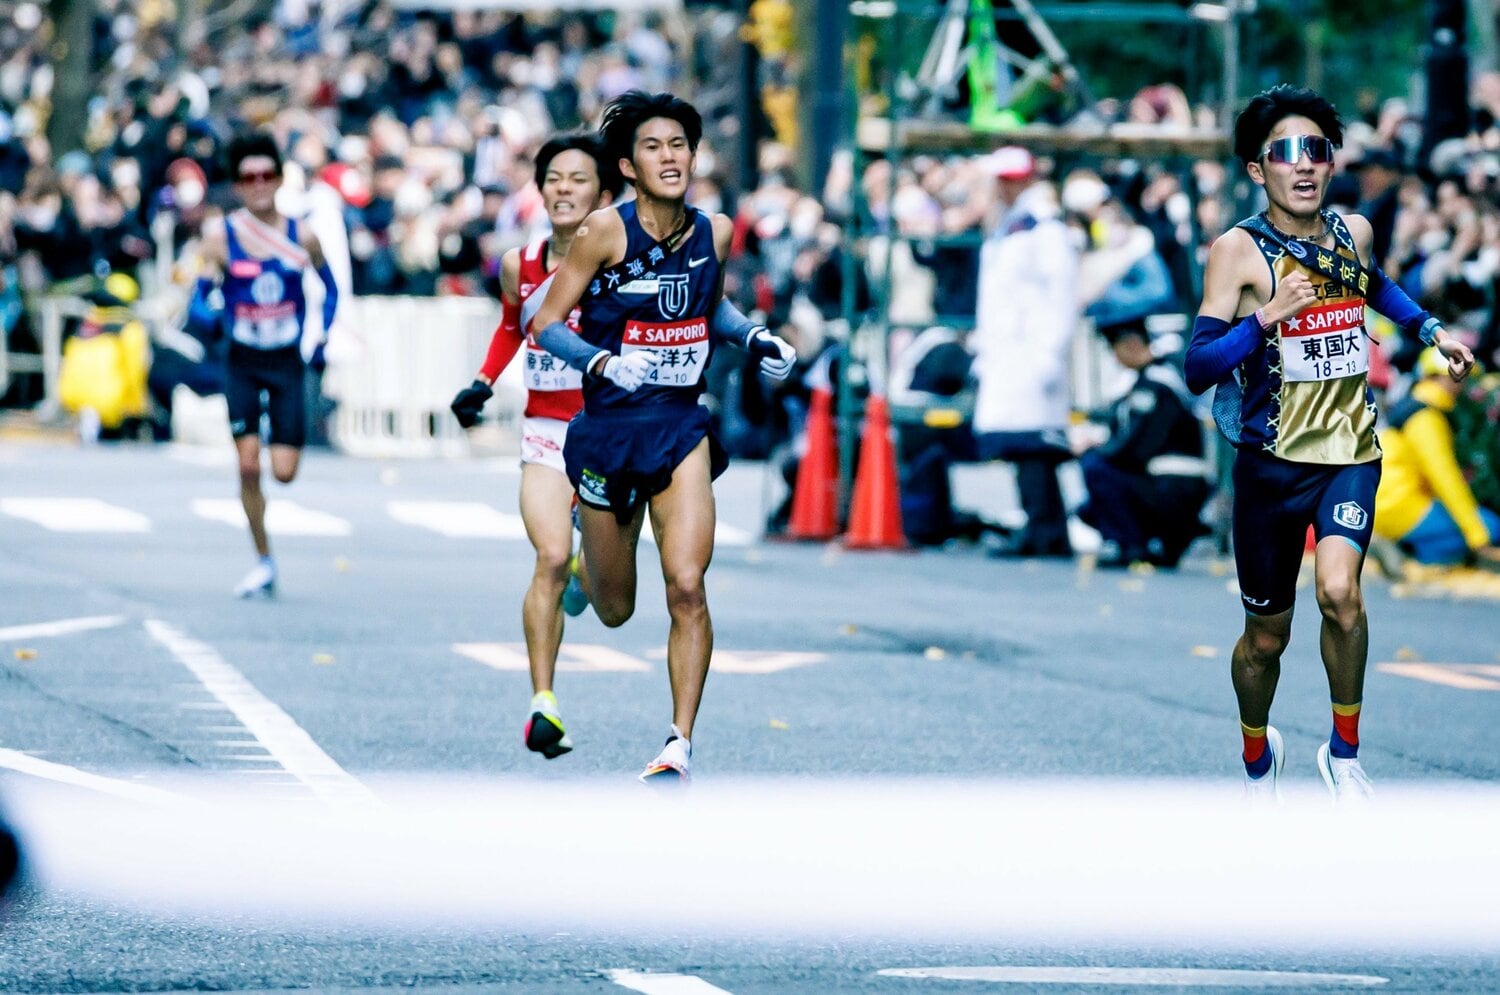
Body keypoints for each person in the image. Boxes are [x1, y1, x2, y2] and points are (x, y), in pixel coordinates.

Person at [1185, 85, 1475, 803]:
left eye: (1316, 149)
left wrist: (1432, 331)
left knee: (1341, 591)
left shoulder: (1354, 231)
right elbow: (1197, 366)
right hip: (1271, 465)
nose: (1304, 165)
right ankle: (1259, 749)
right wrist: (1265, 319)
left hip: (1350, 452)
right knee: (1265, 637)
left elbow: (1373, 284)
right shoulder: (1237, 251)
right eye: (1285, 153)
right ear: (1258, 170)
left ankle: (1344, 753)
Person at [525, 91, 794, 783]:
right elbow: (546, 322)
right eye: (654, 147)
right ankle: (587, 558)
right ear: (629, 164)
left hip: (680, 424)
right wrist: (603, 361)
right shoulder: (602, 234)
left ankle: (679, 739)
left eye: (680, 145)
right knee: (614, 609)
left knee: (687, 585)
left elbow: (712, 307)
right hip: (610, 431)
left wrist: (754, 334)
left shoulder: (718, 231)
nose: (670, 157)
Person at [448, 132, 624, 761]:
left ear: (604, 195)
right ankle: (543, 702)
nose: (563, 190)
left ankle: (587, 571)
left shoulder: (619, 266)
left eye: (578, 180)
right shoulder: (516, 264)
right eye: (553, 178)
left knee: (610, 603)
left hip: (609, 435)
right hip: (547, 433)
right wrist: (481, 382)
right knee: (549, 555)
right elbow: (509, 325)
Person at [196, 133, 340, 597]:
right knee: (248, 464)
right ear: (237, 185)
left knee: (284, 471)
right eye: (247, 177)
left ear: (279, 179)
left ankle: (264, 549)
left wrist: (319, 340)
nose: (258, 185)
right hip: (240, 361)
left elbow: (331, 289)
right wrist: (212, 316)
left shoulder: (303, 235)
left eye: (266, 175)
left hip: (285, 365)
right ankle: (263, 558)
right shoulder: (222, 239)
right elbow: (198, 299)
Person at [970, 146, 1080, 558]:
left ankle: (1044, 526)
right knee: (1022, 443)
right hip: (1011, 352)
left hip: (1033, 351)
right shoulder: (1013, 227)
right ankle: (1043, 525)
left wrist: (1051, 352)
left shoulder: (1044, 230)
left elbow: (1061, 296)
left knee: (1033, 441)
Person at [1076, 319, 1211, 569]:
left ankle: (1133, 545)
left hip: (1172, 487)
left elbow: (1135, 448)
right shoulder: (1160, 378)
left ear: (1132, 345)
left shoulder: (1156, 384)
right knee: (1088, 507)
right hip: (1173, 486)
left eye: (1115, 350)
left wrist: (1094, 448)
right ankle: (1161, 544)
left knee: (1095, 466)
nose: (1116, 359)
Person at [1374, 346, 1500, 567]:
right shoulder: (1425, 418)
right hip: (1399, 505)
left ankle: (1408, 548)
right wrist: (1477, 535)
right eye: (1457, 375)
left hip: (1387, 502)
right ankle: (1407, 549)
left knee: (1461, 532)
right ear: (1440, 377)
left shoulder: (1413, 405)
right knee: (1491, 526)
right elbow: (1445, 478)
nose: (1461, 384)